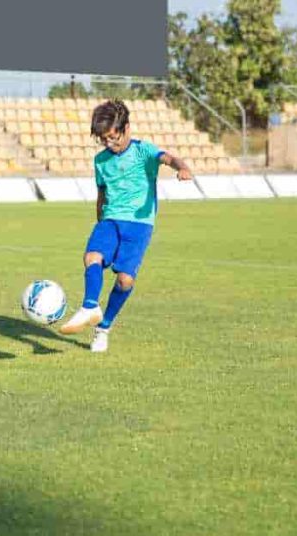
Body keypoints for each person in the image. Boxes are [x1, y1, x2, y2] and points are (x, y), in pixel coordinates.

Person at [58, 99, 194, 352]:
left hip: (139, 225)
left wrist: (183, 168)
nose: (109, 143)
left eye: (113, 137)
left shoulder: (143, 150)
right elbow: (102, 193)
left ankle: (103, 328)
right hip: (110, 220)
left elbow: (169, 158)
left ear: (126, 128)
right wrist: (99, 219)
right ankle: (89, 306)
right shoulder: (100, 161)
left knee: (124, 282)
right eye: (103, 139)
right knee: (92, 257)